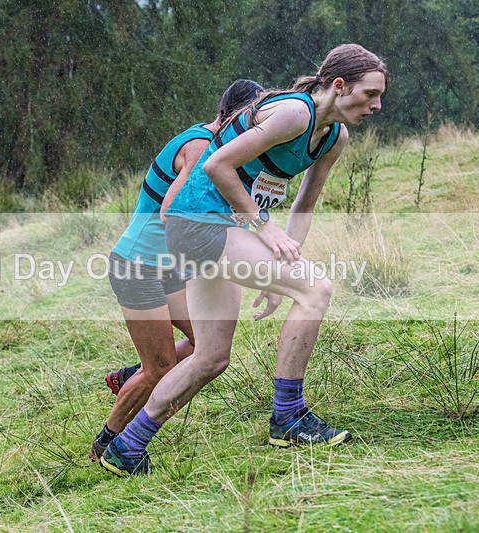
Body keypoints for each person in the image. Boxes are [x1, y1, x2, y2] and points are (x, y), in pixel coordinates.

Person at [100, 44, 388, 476]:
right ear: (340, 85)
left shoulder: (335, 136)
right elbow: (217, 165)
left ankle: (126, 448)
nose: (376, 105)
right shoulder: (294, 112)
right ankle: (288, 416)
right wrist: (263, 230)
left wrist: (281, 269)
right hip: (196, 221)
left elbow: (304, 205)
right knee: (317, 289)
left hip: (212, 229)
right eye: (370, 94)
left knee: (211, 357)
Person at [90, 80, 265, 462]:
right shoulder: (202, 147)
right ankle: (107, 444)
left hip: (168, 268)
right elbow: (172, 212)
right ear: (239, 118)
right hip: (137, 266)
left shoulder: (215, 144)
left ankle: (129, 376)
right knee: (162, 367)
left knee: (207, 346)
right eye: (257, 123)